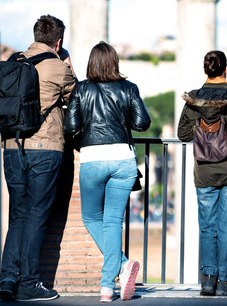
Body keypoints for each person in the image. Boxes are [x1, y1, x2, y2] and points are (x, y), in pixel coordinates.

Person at [64, 41, 151, 302]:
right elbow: (142, 123)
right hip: (123, 159)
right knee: (114, 222)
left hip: (93, 159)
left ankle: (121, 268)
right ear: (114, 62)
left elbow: (70, 127)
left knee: (92, 219)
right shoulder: (129, 88)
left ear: (91, 63)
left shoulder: (81, 89)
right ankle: (108, 285)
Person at [0, 15, 76, 301]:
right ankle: (29, 283)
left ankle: (8, 278)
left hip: (11, 145)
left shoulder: (13, 61)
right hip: (45, 149)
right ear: (58, 41)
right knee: (36, 216)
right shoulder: (58, 67)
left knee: (17, 214)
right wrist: (68, 65)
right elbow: (76, 99)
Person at [177, 50, 227, 297]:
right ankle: (224, 282)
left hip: (205, 171)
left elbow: (183, 134)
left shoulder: (193, 100)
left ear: (205, 70)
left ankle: (207, 280)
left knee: (207, 227)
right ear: (225, 70)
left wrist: (202, 131)